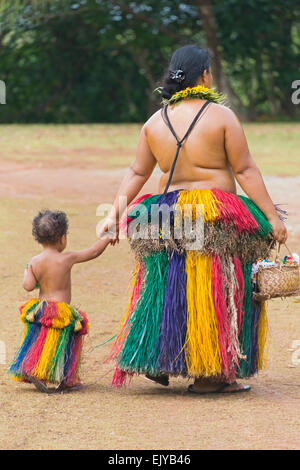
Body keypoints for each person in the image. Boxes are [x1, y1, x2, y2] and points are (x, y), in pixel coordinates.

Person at [100, 45, 287, 394]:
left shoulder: (154, 122)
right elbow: (245, 169)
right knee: (215, 287)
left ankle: (158, 357)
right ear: (204, 75)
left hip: (164, 213)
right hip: (213, 212)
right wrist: (273, 216)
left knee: (167, 284)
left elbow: (137, 171)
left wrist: (113, 216)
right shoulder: (221, 116)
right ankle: (210, 376)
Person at [9, 209, 111, 393]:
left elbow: (28, 286)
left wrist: (27, 269)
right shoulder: (67, 258)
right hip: (61, 311)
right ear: (63, 238)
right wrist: (109, 233)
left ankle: (37, 371)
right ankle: (66, 379)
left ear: (37, 238)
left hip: (41, 309)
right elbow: (94, 251)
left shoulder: (34, 261)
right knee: (64, 344)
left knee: (41, 342)